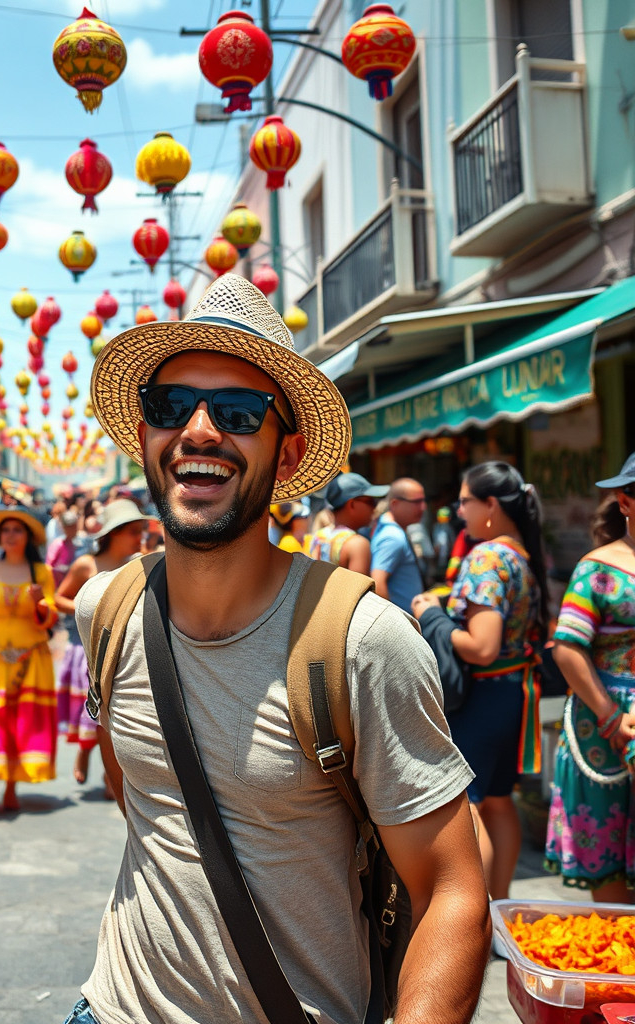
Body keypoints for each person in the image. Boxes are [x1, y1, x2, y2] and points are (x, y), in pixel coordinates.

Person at [65, 274, 489, 1024]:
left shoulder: (361, 643)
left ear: (287, 458)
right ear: (145, 437)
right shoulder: (108, 607)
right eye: (170, 406)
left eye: (235, 411)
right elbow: (137, 793)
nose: (198, 432)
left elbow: (453, 887)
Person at [412, 462, 547, 902]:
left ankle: (478, 918)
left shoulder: (487, 556)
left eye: (465, 501)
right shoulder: (522, 553)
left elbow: (481, 646)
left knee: (467, 805)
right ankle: (503, 910)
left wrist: (431, 615)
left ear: (490, 505)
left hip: (485, 695)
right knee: (500, 800)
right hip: (513, 693)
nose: (459, 510)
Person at [544, 453, 635, 901]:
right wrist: (610, 715)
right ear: (625, 502)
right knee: (611, 857)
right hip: (606, 727)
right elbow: (567, 647)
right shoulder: (597, 570)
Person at [0, 508, 58, 812]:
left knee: (24, 721)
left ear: (28, 536)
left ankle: (12, 785)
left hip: (32, 656)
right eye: (6, 530)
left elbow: (51, 615)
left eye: (18, 530)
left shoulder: (42, 573)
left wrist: (39, 604)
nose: (11, 535)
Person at [54, 500, 149, 786]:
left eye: (140, 530)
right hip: (90, 651)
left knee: (117, 718)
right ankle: (85, 755)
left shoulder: (141, 563)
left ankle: (113, 778)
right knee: (94, 713)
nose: (139, 537)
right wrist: (89, 609)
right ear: (114, 532)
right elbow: (59, 598)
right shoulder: (86, 565)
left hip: (125, 652)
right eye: (133, 531)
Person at [308, 472, 388, 574]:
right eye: (371, 502)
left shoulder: (318, 537)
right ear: (352, 504)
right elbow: (359, 589)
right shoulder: (358, 544)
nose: (374, 508)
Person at [370, 477, 427, 613]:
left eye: (423, 501)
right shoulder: (392, 537)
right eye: (416, 502)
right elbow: (377, 581)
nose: (423, 507)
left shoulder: (392, 530)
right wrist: (394, 623)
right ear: (395, 504)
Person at [46, 508, 80, 587]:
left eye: (74, 526)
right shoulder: (58, 544)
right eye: (70, 527)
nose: (73, 530)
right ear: (64, 528)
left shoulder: (75, 544)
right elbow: (48, 566)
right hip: (56, 585)